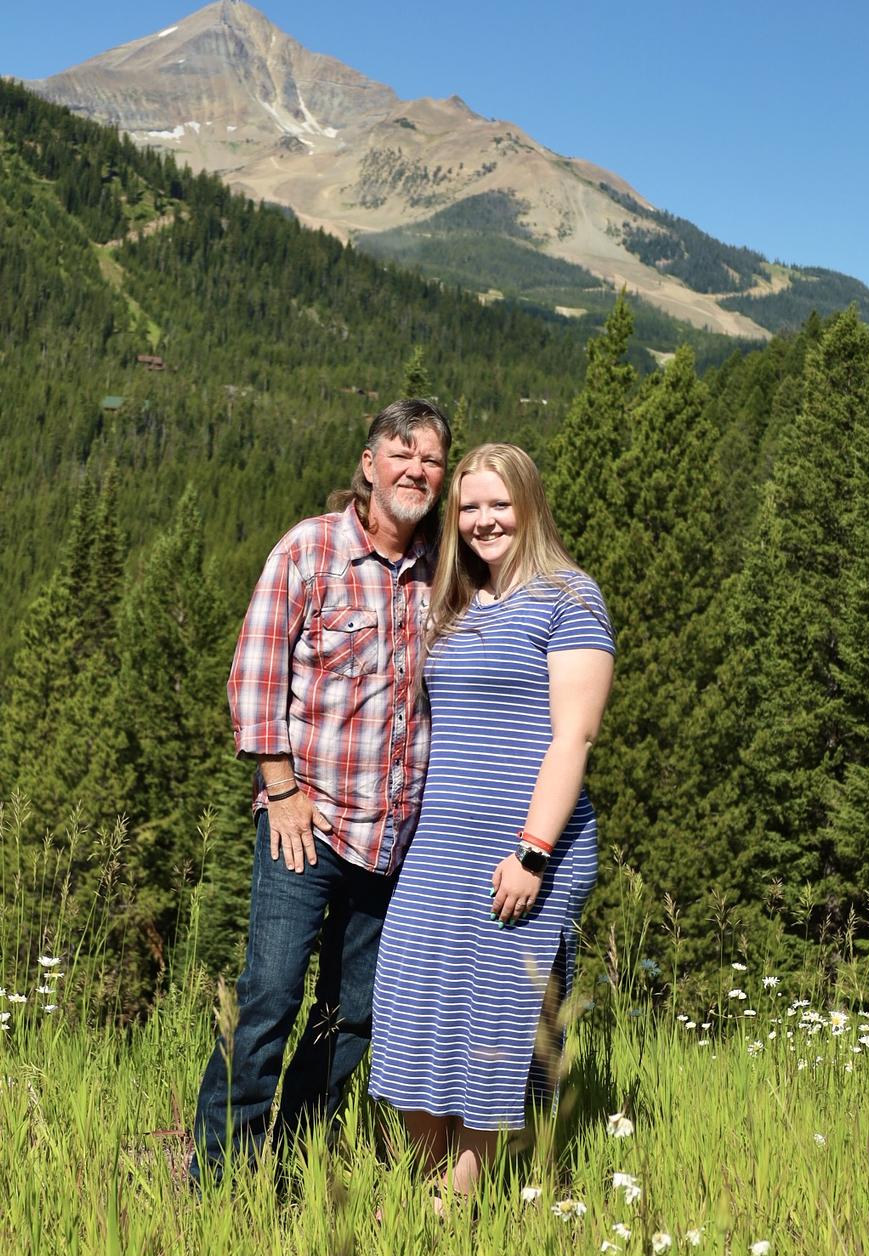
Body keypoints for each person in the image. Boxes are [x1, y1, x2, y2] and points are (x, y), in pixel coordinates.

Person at [191, 398, 451, 1186]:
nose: (416, 469)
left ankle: (293, 1158)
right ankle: (220, 1175)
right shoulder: (309, 550)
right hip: (305, 825)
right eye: (402, 452)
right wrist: (280, 788)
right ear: (369, 463)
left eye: (431, 459)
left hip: (395, 839)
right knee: (269, 996)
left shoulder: (443, 569)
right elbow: (255, 674)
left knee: (350, 1015)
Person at [368, 442, 615, 1196]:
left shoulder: (570, 597)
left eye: (499, 504)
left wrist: (533, 852)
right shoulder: (458, 602)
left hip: (525, 847)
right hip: (440, 846)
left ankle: (458, 1200)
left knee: (495, 1019)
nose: (484, 521)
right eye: (469, 506)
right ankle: (424, 1182)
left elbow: (574, 737)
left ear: (529, 505)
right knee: (414, 1006)